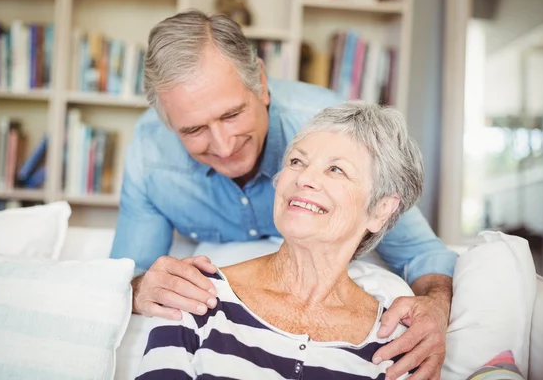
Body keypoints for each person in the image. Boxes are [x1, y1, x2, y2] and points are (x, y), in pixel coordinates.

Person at [111, 9, 458, 379]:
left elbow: (422, 252)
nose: (224, 146)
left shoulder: (327, 132)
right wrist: (138, 287)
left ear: (261, 82)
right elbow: (128, 274)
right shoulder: (152, 153)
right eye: (194, 130)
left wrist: (436, 306)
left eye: (232, 115)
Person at [135, 101, 425, 380]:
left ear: (380, 209)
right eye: (297, 161)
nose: (304, 178)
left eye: (336, 169)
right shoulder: (196, 293)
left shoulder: (397, 342)